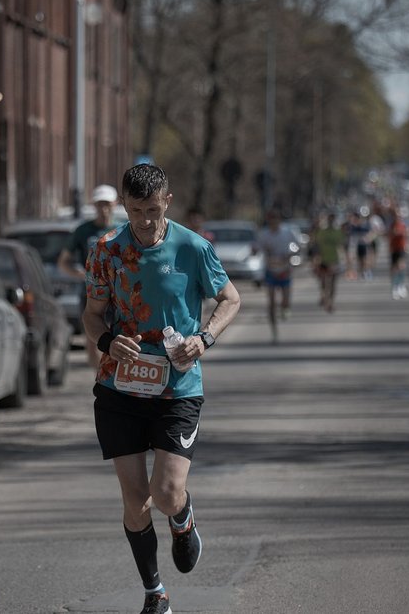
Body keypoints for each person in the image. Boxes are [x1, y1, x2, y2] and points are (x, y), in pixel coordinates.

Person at [83, 164, 241, 614]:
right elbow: (93, 315)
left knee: (167, 493)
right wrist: (108, 340)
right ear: (124, 208)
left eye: (153, 210)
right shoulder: (107, 251)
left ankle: (183, 518)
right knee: (136, 502)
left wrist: (204, 337)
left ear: (167, 202)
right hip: (121, 387)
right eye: (136, 212)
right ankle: (156, 593)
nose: (145, 221)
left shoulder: (193, 247)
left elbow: (230, 298)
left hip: (178, 388)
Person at [58, 184, 122, 366]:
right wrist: (78, 274)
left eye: (107, 204)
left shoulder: (122, 230)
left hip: (118, 292)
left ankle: (117, 374)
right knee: (93, 336)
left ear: (115, 204)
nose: (103, 208)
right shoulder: (83, 231)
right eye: (100, 204)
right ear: (94, 205)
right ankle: (99, 375)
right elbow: (63, 261)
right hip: (91, 292)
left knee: (119, 333)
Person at [254, 208, 299, 343]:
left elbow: (297, 246)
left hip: (285, 270)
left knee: (285, 301)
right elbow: (257, 248)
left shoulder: (287, 232)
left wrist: (290, 255)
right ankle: (274, 333)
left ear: (279, 221)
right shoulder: (264, 234)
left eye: (275, 220)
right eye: (271, 220)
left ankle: (285, 308)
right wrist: (256, 250)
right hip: (271, 271)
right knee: (271, 303)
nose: (273, 223)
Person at [309, 212, 346, 313]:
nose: (330, 221)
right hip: (323, 260)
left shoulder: (338, 231)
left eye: (332, 219)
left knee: (333, 283)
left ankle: (331, 302)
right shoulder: (321, 231)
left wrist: (345, 259)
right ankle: (325, 298)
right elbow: (315, 245)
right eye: (329, 219)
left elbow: (341, 246)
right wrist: (315, 260)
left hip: (335, 260)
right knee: (324, 282)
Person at [389, 210, 409, 299]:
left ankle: (401, 285)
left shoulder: (403, 225)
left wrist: (407, 245)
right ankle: (395, 287)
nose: (397, 218)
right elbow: (390, 235)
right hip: (394, 249)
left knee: (401, 266)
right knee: (394, 269)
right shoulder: (392, 225)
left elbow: (405, 234)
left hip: (401, 248)